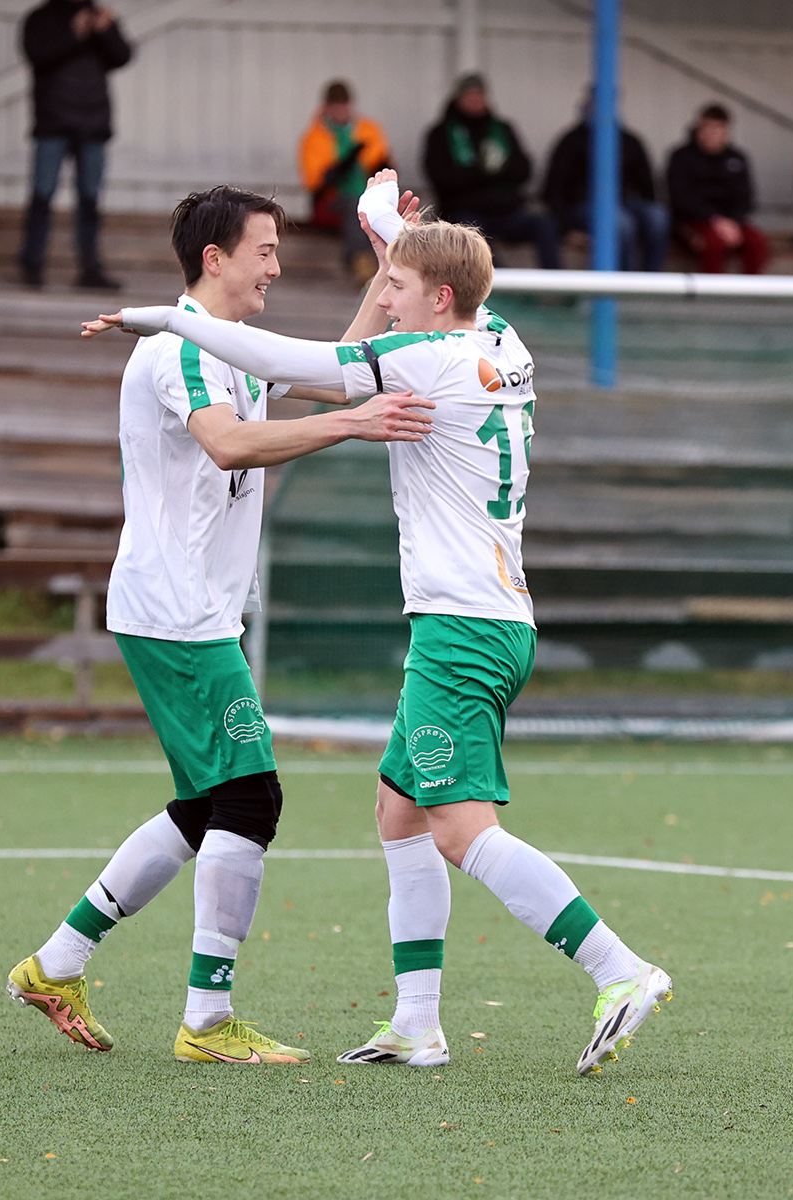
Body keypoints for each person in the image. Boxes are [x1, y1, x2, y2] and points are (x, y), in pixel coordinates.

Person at [94, 207, 675, 1076]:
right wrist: (384, 233)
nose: (384, 302)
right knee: (397, 811)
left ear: (439, 300)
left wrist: (166, 317)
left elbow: (294, 362)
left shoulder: (424, 358)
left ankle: (617, 970)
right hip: (495, 615)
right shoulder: (501, 339)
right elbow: (421, 287)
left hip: (462, 630)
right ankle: (416, 1023)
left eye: (396, 290)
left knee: (459, 828)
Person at [10, 183, 433, 1066]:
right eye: (265, 250)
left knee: (211, 805)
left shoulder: (229, 347)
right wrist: (354, 425)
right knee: (252, 797)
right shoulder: (180, 351)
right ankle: (206, 1019)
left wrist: (395, 261)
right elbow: (232, 443)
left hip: (189, 608)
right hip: (177, 611)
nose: (277, 266)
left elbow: (336, 363)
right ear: (217, 259)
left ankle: (57, 962)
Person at [16, 0, 132, 290]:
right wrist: (75, 33)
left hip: (93, 124)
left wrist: (105, 31)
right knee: (42, 196)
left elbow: (122, 56)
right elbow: (37, 55)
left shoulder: (98, 16)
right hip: (52, 122)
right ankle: (31, 265)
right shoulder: (41, 18)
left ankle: (90, 268)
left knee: (90, 201)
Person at [423, 73, 561, 270]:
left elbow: (524, 170)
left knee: (543, 224)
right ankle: (501, 290)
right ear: (458, 98)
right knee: (472, 231)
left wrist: (498, 169)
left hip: (506, 211)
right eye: (469, 96)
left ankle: (557, 288)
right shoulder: (440, 134)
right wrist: (480, 171)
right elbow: (441, 178)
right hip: (464, 210)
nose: (475, 100)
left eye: (479, 95)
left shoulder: (502, 130)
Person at [542, 92, 669, 272]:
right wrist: (565, 229)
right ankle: (623, 287)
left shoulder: (629, 141)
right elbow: (553, 190)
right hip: (583, 207)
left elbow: (647, 187)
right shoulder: (570, 142)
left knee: (657, 217)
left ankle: (652, 282)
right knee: (621, 224)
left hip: (624, 205)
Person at [297, 80, 392, 279]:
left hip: (366, 194)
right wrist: (344, 164)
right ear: (326, 107)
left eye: (344, 106)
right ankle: (360, 261)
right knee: (355, 207)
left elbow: (384, 164)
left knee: (372, 206)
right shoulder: (314, 137)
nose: (340, 111)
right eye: (335, 106)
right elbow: (315, 184)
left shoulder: (369, 129)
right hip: (331, 202)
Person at [666, 103, 767, 274]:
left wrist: (733, 221)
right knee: (712, 243)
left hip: (732, 222)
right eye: (707, 129)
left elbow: (746, 196)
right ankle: (711, 297)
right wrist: (714, 219)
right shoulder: (682, 157)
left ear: (726, 132)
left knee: (756, 241)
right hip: (696, 221)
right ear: (698, 129)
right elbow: (681, 197)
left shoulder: (736, 158)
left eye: (716, 129)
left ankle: (752, 295)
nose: (711, 134)